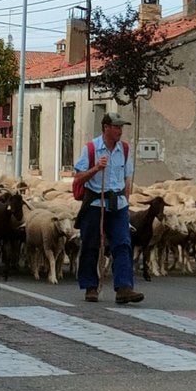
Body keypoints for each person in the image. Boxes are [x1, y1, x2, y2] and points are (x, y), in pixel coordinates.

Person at [72, 112, 143, 304]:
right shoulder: (91, 148)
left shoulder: (125, 150)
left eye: (121, 127)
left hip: (118, 205)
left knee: (123, 244)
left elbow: (127, 179)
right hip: (95, 203)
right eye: (116, 127)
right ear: (106, 128)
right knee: (91, 245)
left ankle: (124, 288)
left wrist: (126, 204)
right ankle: (90, 287)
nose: (120, 131)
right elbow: (78, 178)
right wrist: (96, 168)